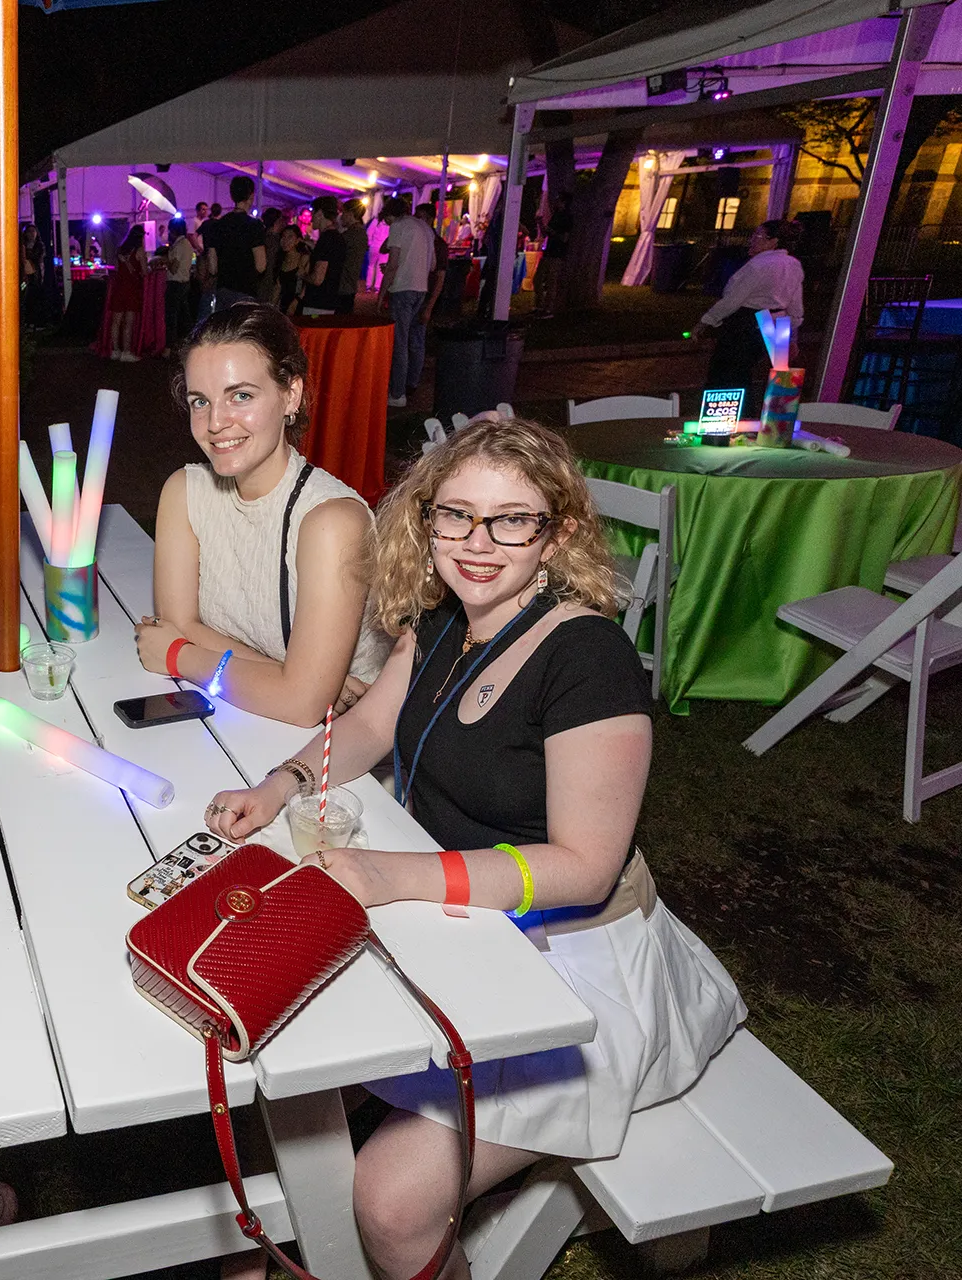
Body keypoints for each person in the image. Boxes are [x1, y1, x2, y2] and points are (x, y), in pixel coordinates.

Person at [204, 416, 743, 1280]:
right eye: (454, 515)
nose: (477, 544)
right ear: (426, 521)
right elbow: (371, 725)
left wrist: (389, 875)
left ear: (557, 532)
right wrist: (280, 786)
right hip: (463, 930)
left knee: (388, 1199)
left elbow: (584, 865)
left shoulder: (589, 660)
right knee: (276, 1055)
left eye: (511, 520)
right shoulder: (442, 622)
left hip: (578, 969)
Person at [137, 303, 391, 726]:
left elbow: (302, 707)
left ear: (290, 394)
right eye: (201, 401)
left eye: (241, 396)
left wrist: (179, 656)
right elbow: (178, 621)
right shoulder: (185, 491)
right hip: (248, 719)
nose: (216, 422)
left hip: (344, 745)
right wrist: (294, 678)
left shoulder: (331, 522)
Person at [693, 219, 805, 416]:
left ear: (774, 241)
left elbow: (733, 300)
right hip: (779, 322)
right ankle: (775, 424)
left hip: (749, 321)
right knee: (780, 379)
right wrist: (792, 334)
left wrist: (706, 321)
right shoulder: (793, 265)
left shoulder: (759, 265)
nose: (752, 240)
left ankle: (727, 422)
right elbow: (795, 303)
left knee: (729, 374)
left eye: (759, 236)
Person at [378, 195, 435, 407]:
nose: (387, 225)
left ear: (391, 215)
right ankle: (411, 383)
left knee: (399, 342)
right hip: (421, 288)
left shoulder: (399, 227)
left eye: (386, 221)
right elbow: (432, 265)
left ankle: (397, 393)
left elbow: (392, 264)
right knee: (414, 339)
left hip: (402, 289)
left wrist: (382, 293)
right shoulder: (424, 228)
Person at [200, 177, 269, 317]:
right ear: (251, 196)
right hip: (246, 291)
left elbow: (213, 268)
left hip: (223, 291)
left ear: (231, 196)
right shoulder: (254, 226)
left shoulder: (217, 226)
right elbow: (261, 265)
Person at [105, 227, 149, 362]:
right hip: (132, 288)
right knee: (129, 322)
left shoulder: (120, 250)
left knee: (116, 321)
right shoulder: (139, 251)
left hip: (119, 287)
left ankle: (115, 350)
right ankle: (126, 351)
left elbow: (116, 269)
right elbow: (144, 271)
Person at [301, 196, 348, 317]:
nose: (311, 217)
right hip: (330, 300)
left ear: (320, 213)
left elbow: (317, 279)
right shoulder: (337, 237)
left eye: (313, 212)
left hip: (318, 304)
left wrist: (302, 274)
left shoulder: (326, 239)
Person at [532, 189, 573, 318]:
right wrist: (540, 223)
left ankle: (548, 309)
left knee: (551, 281)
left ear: (564, 202)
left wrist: (553, 232)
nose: (556, 202)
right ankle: (539, 305)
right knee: (537, 278)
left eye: (559, 200)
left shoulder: (567, 218)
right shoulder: (555, 215)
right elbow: (545, 234)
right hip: (548, 251)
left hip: (558, 253)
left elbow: (565, 238)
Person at [164, 219, 196, 344]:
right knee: (184, 315)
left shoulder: (179, 245)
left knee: (172, 316)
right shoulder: (187, 243)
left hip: (176, 283)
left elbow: (174, 268)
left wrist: (165, 260)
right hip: (185, 281)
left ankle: (169, 346)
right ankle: (191, 341)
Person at [339, 199, 369, 311]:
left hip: (343, 284)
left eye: (343, 213)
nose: (341, 217)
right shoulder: (361, 233)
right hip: (350, 284)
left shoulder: (350, 235)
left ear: (350, 214)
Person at [273, 222, 308, 316]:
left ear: (297, 240)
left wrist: (295, 302)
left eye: (290, 237)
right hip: (283, 306)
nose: (285, 240)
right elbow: (278, 287)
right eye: (283, 237)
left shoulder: (303, 258)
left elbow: (304, 285)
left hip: (299, 306)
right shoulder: (281, 260)